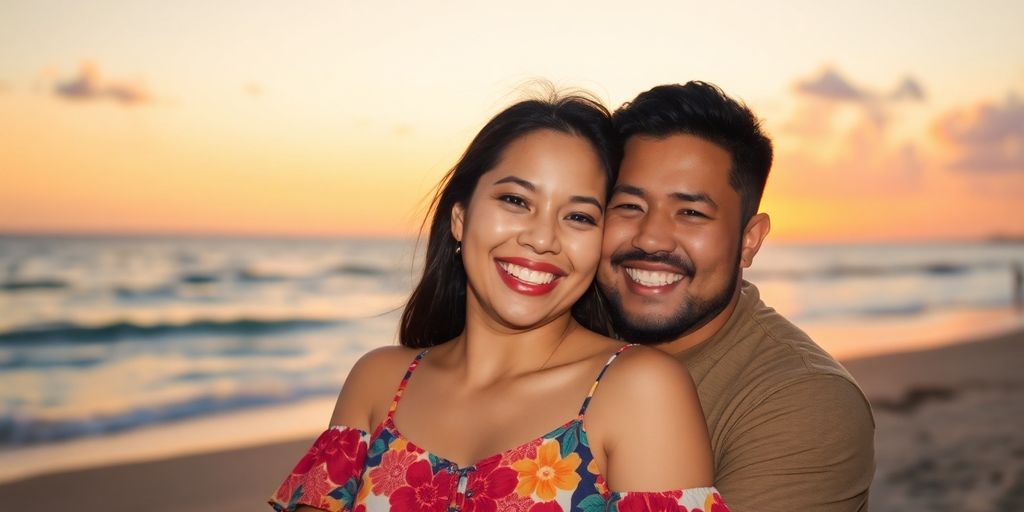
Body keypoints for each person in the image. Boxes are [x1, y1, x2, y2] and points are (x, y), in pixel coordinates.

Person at [269, 94, 729, 511]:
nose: (543, 238)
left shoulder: (637, 390)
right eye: (515, 200)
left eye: (578, 216)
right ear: (460, 216)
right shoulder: (378, 382)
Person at [597, 82, 875, 511]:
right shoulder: (556, 337)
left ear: (749, 240)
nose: (651, 238)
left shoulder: (802, 401)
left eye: (690, 212)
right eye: (628, 206)